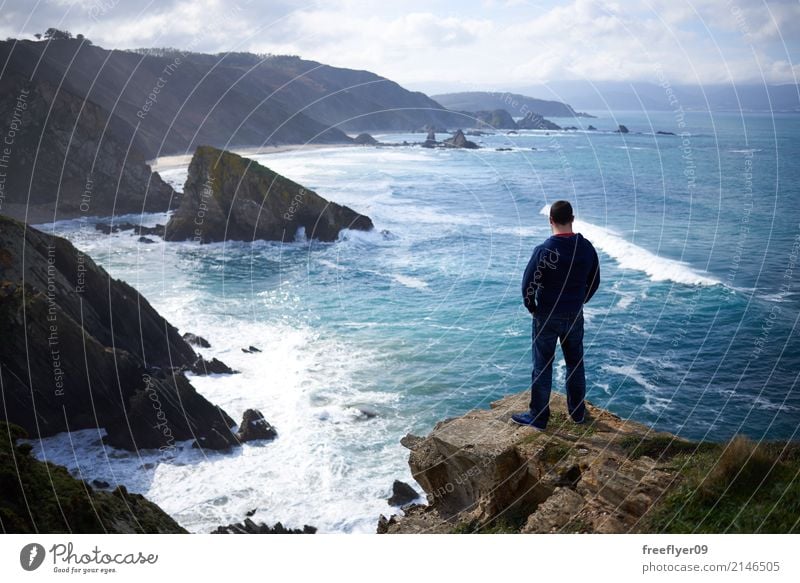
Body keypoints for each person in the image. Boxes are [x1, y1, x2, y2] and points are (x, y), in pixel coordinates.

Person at [512, 200, 600, 430]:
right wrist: (580, 301)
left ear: (550, 220)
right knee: (575, 364)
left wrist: (533, 307)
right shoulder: (586, 248)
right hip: (574, 314)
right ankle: (578, 414)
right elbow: (595, 281)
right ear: (572, 218)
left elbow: (527, 286)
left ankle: (539, 417)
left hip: (547, 316)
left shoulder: (543, 251)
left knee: (542, 366)